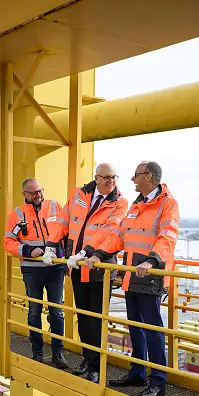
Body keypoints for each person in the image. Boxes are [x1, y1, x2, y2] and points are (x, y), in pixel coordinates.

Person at [84, 161, 179, 396]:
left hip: (150, 275)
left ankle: (158, 380)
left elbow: (168, 236)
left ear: (148, 177)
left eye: (136, 176)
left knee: (151, 328)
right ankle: (138, 372)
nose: (132, 180)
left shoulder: (167, 204)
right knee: (135, 326)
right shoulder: (137, 205)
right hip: (131, 273)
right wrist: (98, 254)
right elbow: (119, 235)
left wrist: (152, 262)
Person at [59, 163, 129, 383]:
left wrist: (87, 252)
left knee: (97, 319)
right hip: (78, 268)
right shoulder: (80, 195)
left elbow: (109, 231)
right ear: (96, 178)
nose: (111, 181)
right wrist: (55, 246)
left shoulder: (119, 202)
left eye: (114, 177)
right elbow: (64, 222)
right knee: (83, 316)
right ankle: (88, 359)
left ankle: (96, 367)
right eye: (106, 177)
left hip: (99, 268)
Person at [4, 178, 68, 369]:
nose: (38, 195)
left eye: (40, 191)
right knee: (34, 310)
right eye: (33, 193)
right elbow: (8, 242)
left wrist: (65, 259)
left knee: (57, 311)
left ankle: (58, 353)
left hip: (55, 267)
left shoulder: (55, 206)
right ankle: (37, 353)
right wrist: (27, 251)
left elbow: (66, 232)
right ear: (24, 194)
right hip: (32, 269)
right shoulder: (16, 215)